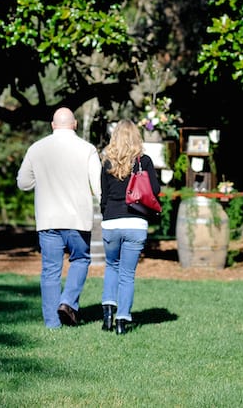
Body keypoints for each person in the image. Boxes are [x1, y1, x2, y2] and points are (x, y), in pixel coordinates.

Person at [17, 107, 102, 329]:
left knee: (50, 270)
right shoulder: (87, 149)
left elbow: (23, 183)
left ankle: (52, 324)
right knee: (81, 260)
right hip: (78, 218)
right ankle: (67, 301)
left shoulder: (37, 149)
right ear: (74, 124)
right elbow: (99, 186)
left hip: (48, 218)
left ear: (53, 125)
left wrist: (43, 179)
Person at [99, 119, 161, 334]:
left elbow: (104, 196)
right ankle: (122, 321)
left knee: (111, 266)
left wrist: (106, 215)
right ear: (136, 137)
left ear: (114, 137)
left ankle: (108, 311)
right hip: (135, 222)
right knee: (127, 273)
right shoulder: (144, 161)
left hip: (111, 222)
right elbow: (154, 189)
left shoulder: (107, 162)